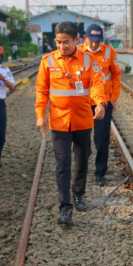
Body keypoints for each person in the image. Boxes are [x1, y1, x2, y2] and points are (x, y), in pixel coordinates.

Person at [35, 21, 107, 227]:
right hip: (58, 122)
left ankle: (78, 194)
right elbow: (41, 91)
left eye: (66, 42)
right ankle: (65, 207)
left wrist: (100, 103)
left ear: (76, 40)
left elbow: (96, 84)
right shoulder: (47, 62)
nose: (62, 46)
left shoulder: (88, 60)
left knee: (83, 159)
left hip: (83, 120)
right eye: (58, 42)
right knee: (63, 163)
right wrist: (41, 114)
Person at [81, 23, 122, 186]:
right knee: (82, 140)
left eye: (98, 41)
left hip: (103, 103)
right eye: (92, 40)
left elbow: (116, 76)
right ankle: (81, 171)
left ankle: (100, 172)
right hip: (83, 103)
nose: (95, 44)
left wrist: (114, 98)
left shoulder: (109, 52)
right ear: (85, 38)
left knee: (102, 139)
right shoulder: (78, 52)